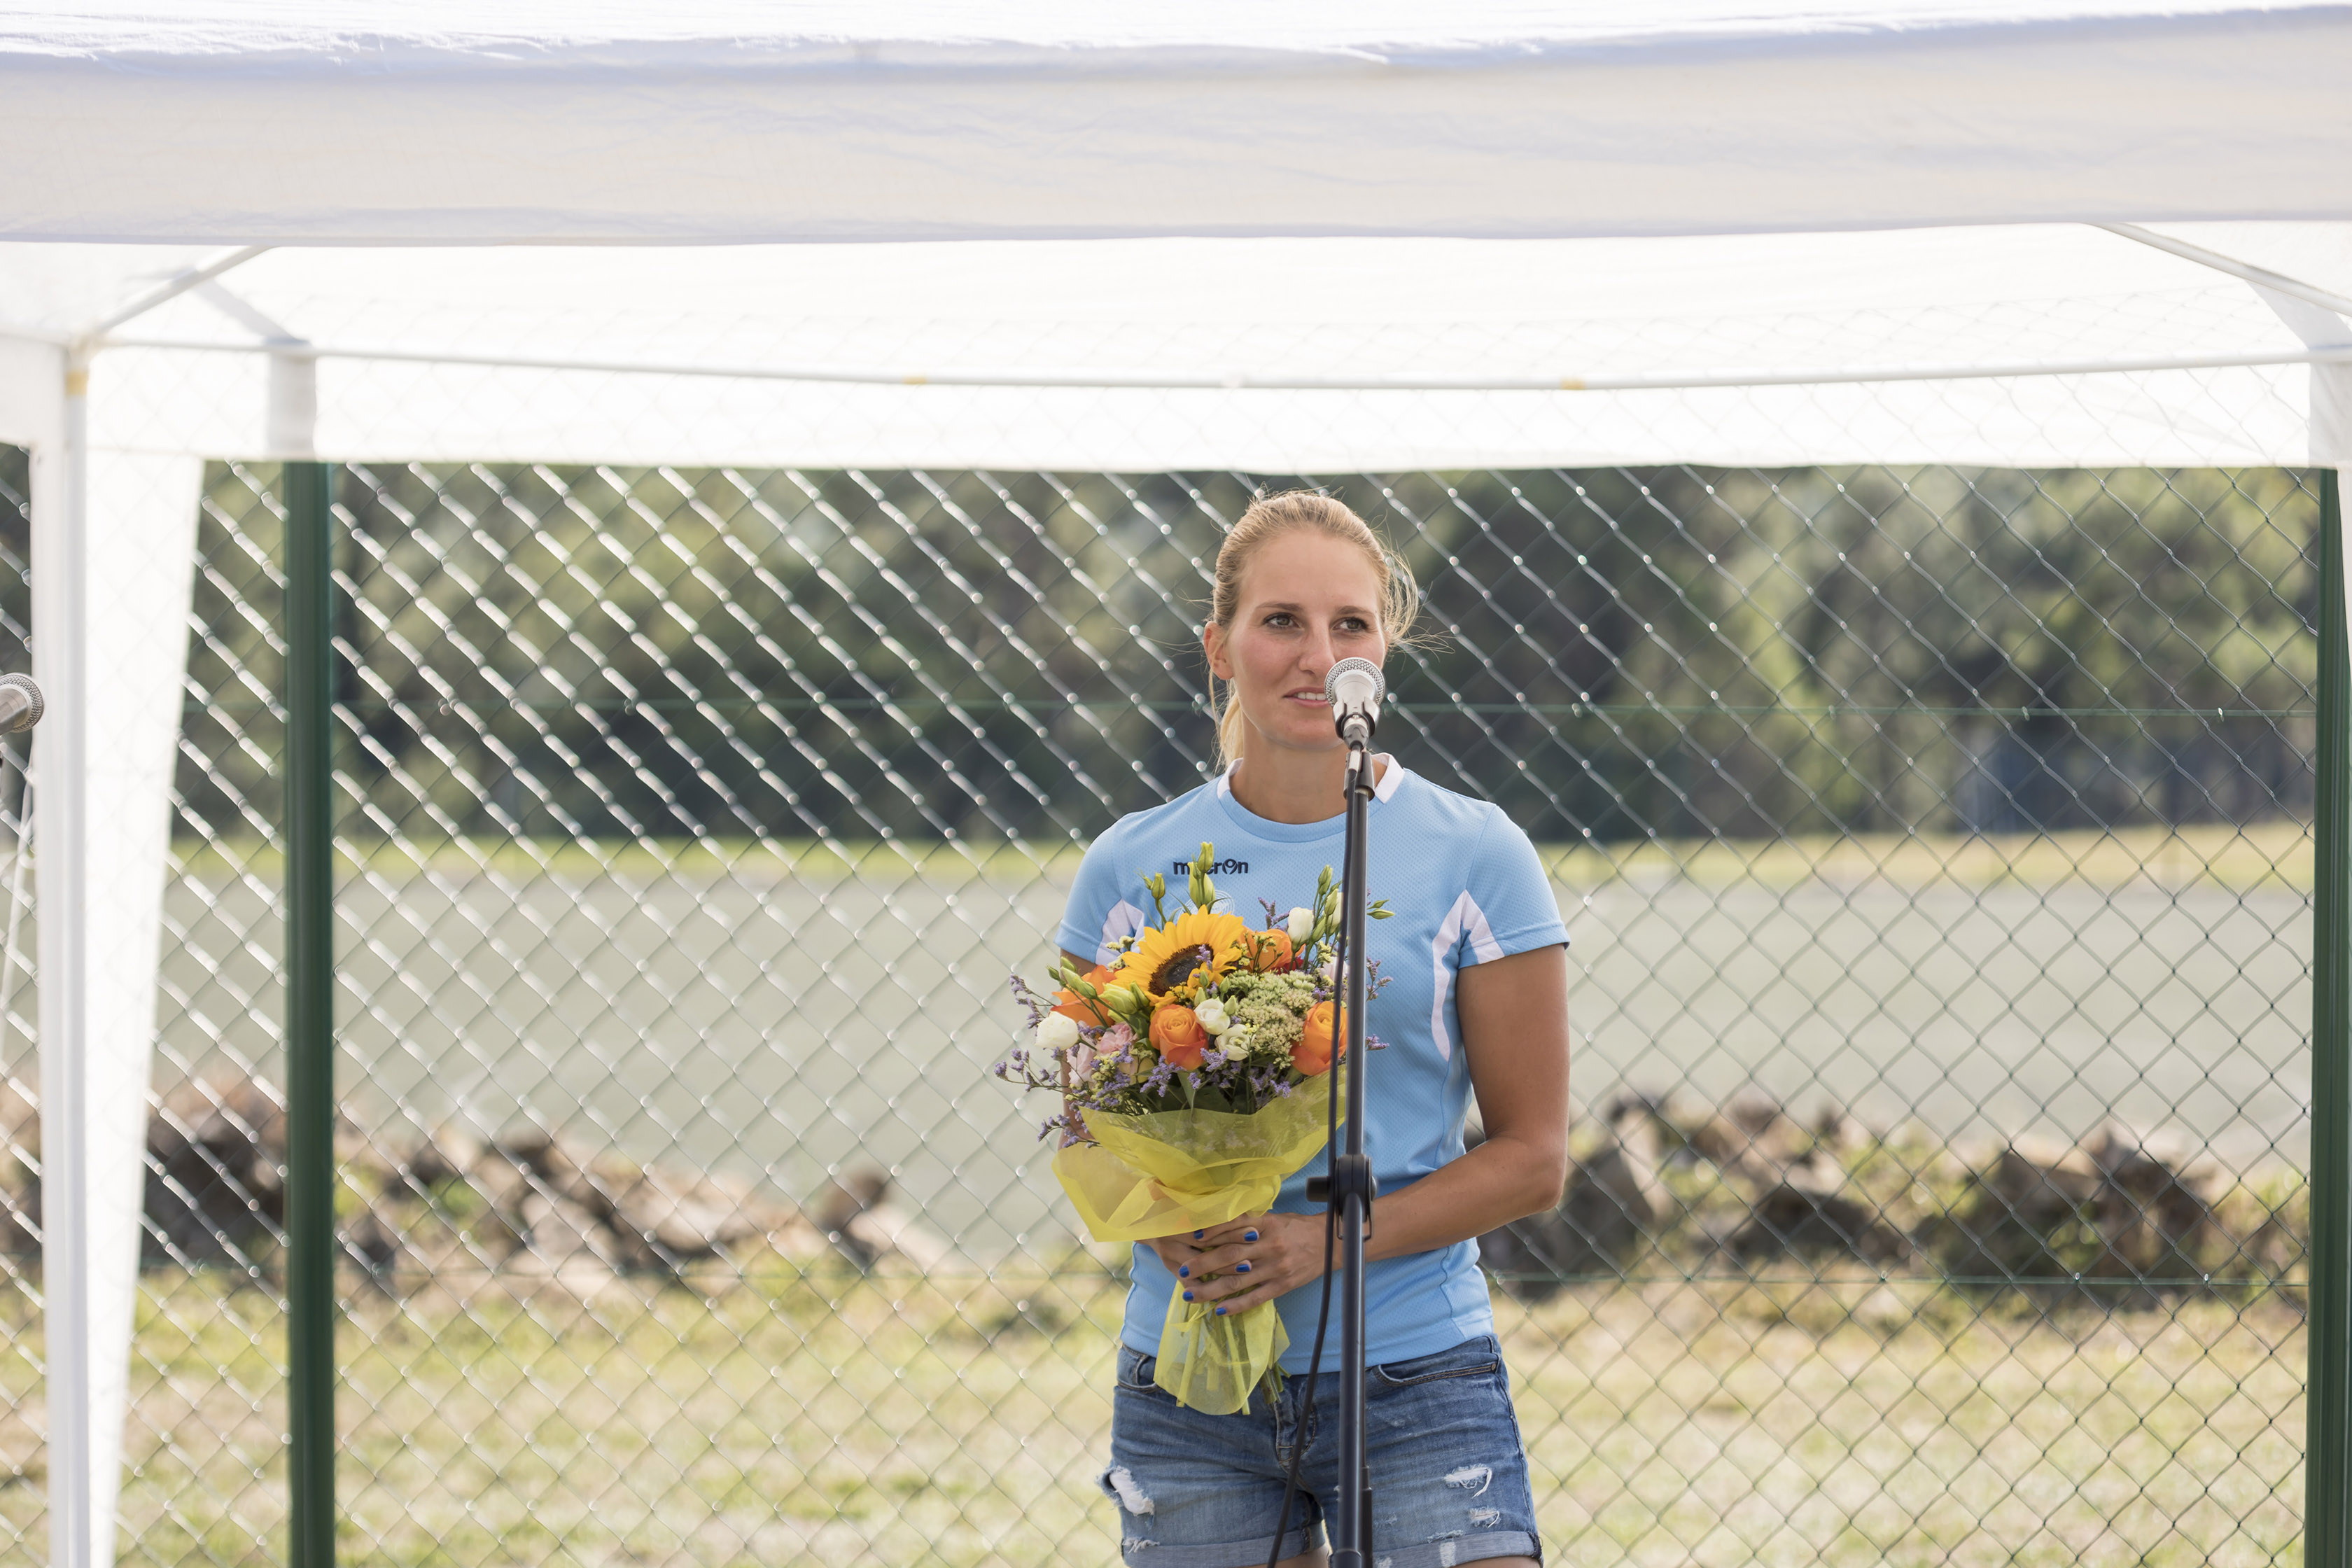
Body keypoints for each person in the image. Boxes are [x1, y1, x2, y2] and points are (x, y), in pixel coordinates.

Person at [1056, 489, 1572, 1568]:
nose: (1318, 655)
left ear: (1383, 651)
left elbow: (1533, 1160)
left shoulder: (1477, 853)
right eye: (1281, 621)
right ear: (1220, 647)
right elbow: (1088, 1117)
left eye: (1351, 624)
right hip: (1191, 1381)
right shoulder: (1131, 863)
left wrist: (1321, 1244)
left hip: (1416, 1371)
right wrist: (1167, 1222)